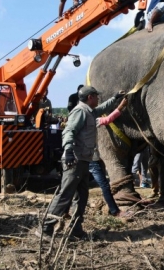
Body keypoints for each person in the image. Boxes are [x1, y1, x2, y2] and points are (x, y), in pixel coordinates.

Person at [38, 86, 124, 239]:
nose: (98, 99)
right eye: (96, 96)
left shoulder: (90, 111)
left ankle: (75, 229)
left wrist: (116, 98)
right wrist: (69, 150)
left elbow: (103, 108)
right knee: (65, 194)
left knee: (82, 196)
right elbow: (69, 131)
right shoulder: (80, 111)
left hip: (83, 160)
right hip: (75, 160)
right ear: (90, 97)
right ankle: (45, 227)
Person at [91, 95, 128, 218]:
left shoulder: (89, 117)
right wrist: (120, 107)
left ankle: (63, 211)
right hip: (89, 159)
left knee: (72, 185)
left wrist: (118, 103)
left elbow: (107, 119)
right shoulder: (86, 117)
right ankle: (115, 211)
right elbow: (107, 119)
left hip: (87, 158)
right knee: (104, 185)